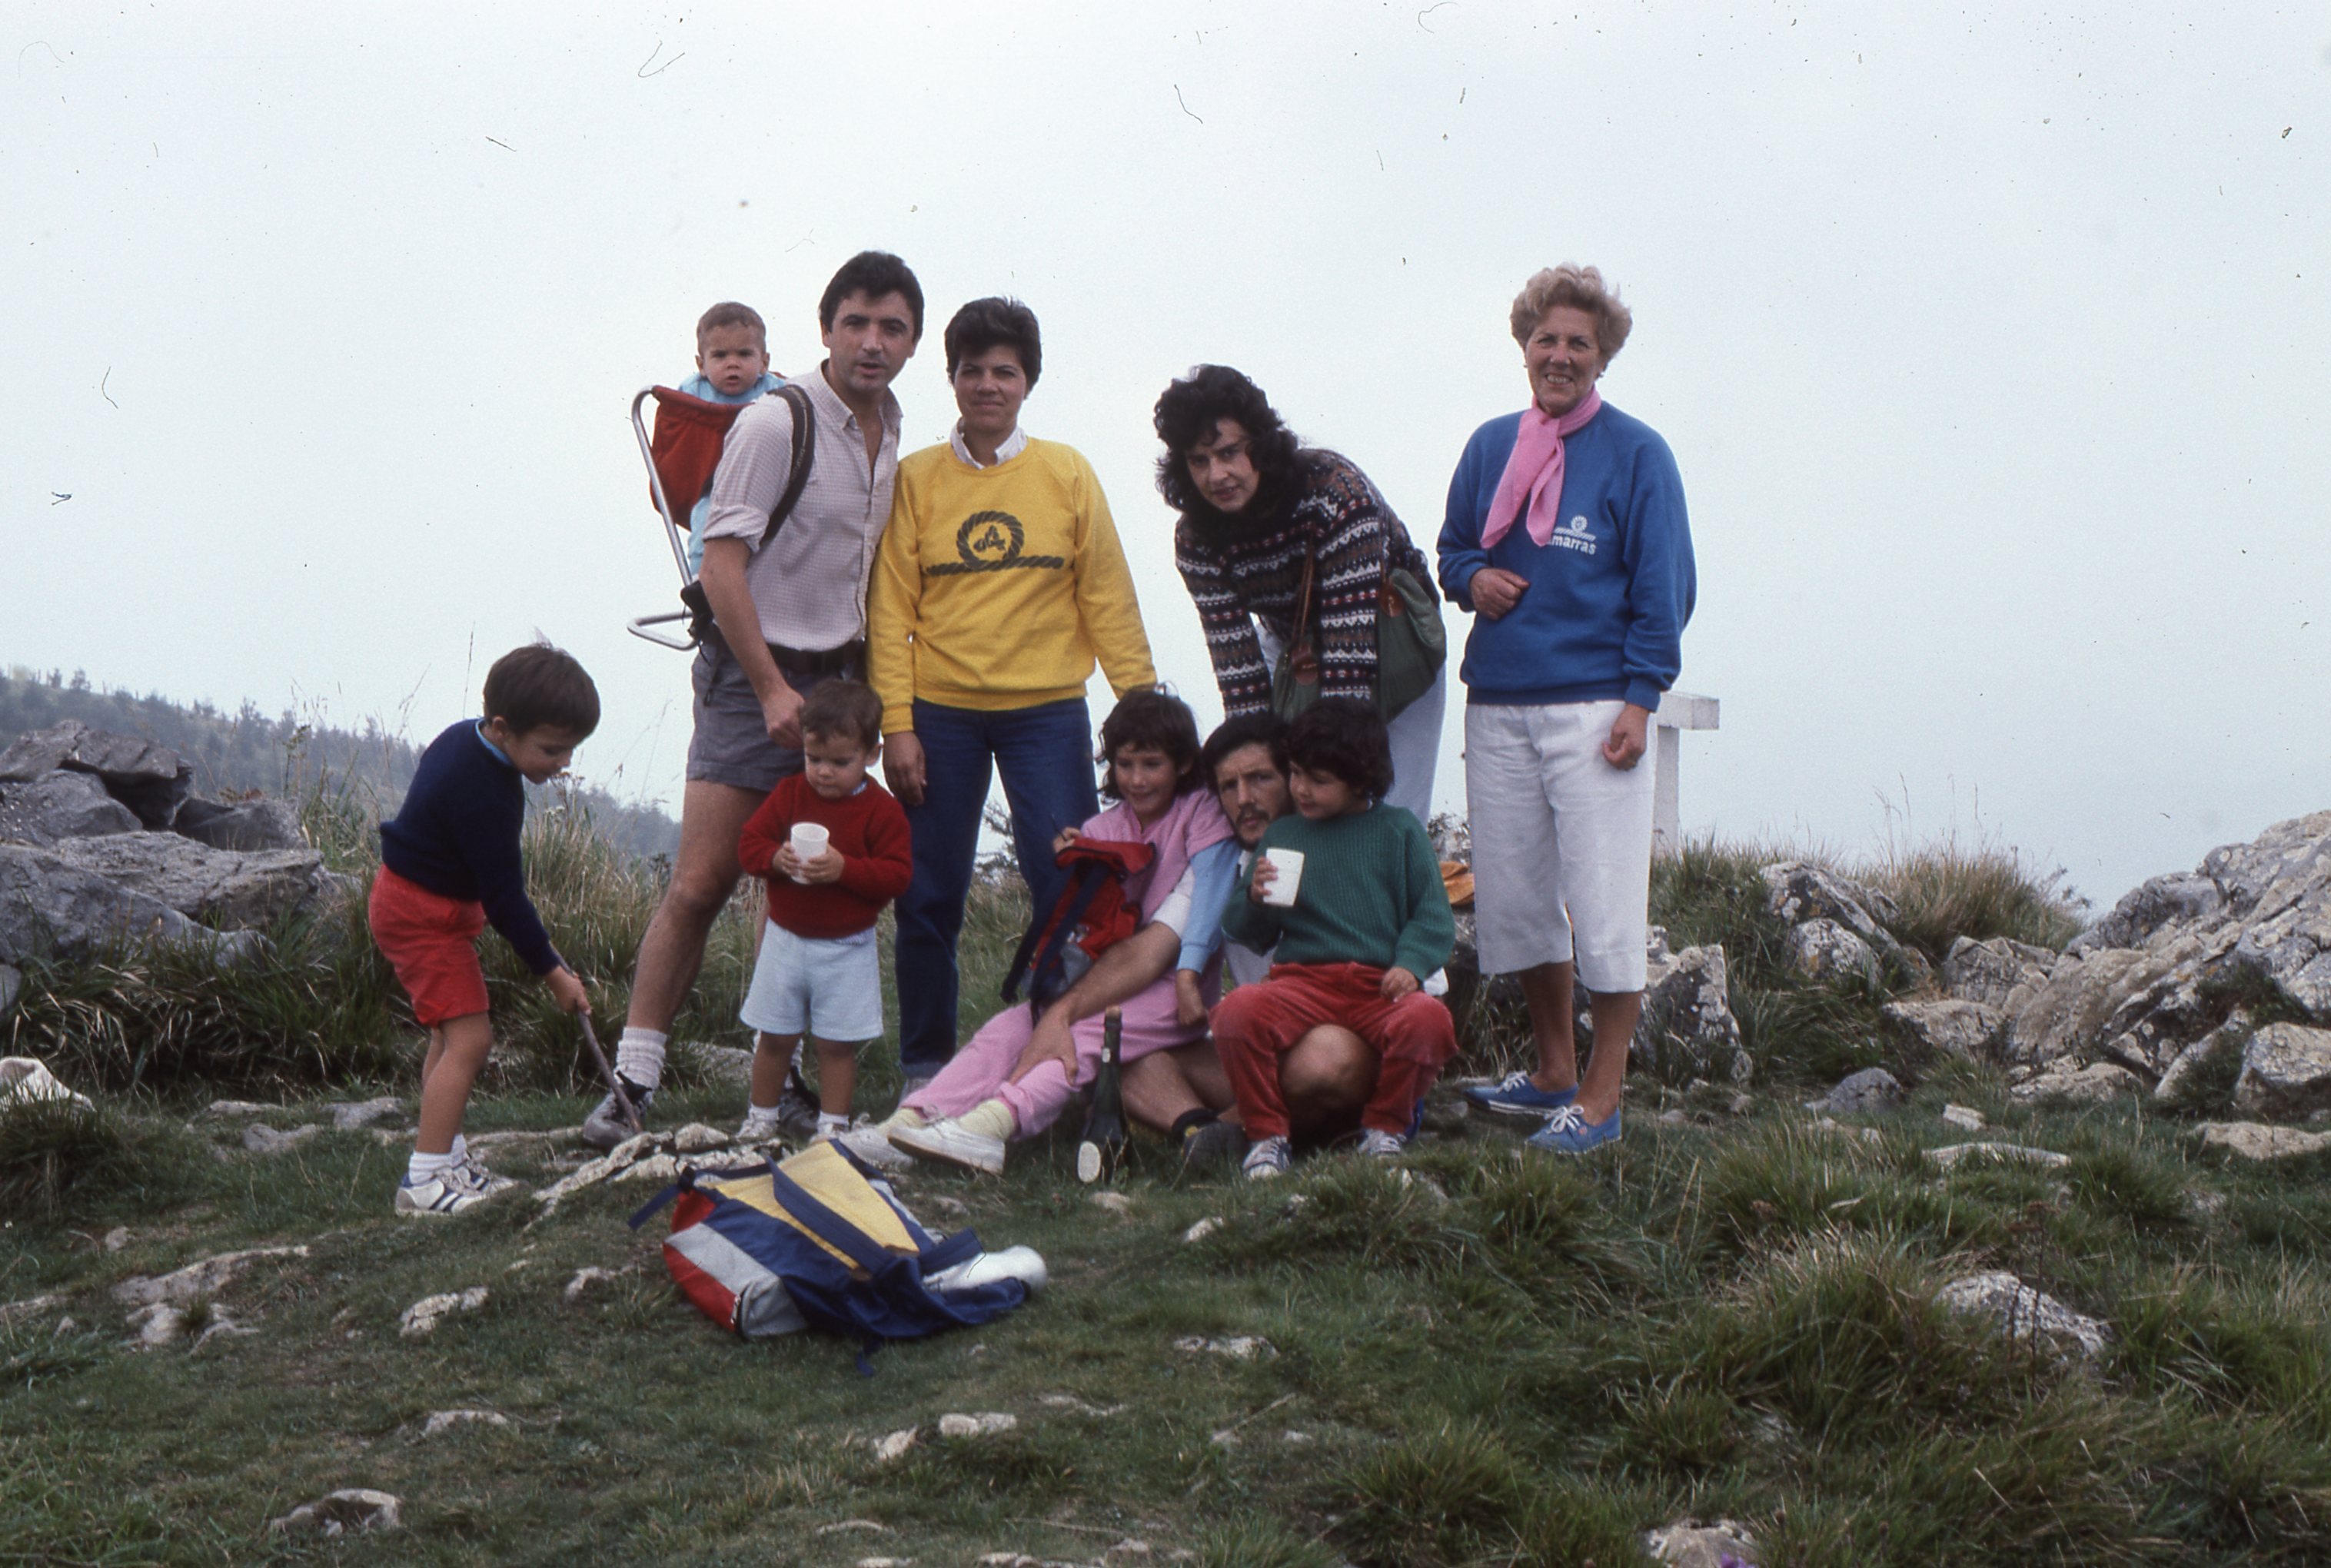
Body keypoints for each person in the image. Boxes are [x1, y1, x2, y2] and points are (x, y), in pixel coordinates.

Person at [584, 251, 924, 1149]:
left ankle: (788, 1086)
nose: (872, 342)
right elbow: (722, 567)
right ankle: (631, 1081)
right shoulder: (777, 422)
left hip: (842, 675)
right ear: (825, 330)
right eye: (856, 323)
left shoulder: (889, 429)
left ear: (912, 343)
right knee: (703, 880)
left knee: (808, 883)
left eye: (892, 328)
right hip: (753, 671)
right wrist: (771, 686)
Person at [1435, 264, 1696, 1155]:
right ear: (1523, 346)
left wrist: (1641, 698)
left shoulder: (1637, 454)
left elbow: (1664, 588)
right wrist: (1474, 579)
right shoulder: (1487, 447)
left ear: (1602, 355)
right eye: (1544, 338)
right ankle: (1550, 1070)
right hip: (1497, 702)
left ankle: (1599, 1097)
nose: (1558, 355)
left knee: (1604, 903)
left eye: (1577, 342)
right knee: (1514, 901)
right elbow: (1451, 551)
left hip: (1595, 709)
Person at [868, 297, 1156, 1091]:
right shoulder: (915, 480)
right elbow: (890, 611)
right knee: (928, 894)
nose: (988, 386)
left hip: (1047, 714)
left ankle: (1053, 1056)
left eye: (1005, 372)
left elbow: (1107, 598)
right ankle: (925, 1066)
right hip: (941, 716)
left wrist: (1143, 712)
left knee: (1066, 885)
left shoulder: (1067, 472)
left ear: (1028, 381)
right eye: (973, 372)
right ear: (952, 379)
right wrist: (897, 725)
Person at [873, 690, 1232, 1175]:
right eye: (1126, 765)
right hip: (1101, 973)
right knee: (1007, 1029)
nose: (1137, 779)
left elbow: (1208, 892)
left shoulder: (1200, 812)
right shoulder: (1104, 827)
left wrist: (1188, 973)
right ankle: (909, 1121)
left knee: (1084, 1033)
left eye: (1153, 765)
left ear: (1184, 763)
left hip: (1168, 989)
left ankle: (992, 1124)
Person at [1154, 364, 1446, 823]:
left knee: (1385, 809)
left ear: (1261, 444)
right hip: (1295, 646)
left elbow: (1350, 676)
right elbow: (1240, 679)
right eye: (1199, 461)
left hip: (1391, 641)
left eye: (1229, 453)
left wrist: (1332, 779)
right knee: (1282, 798)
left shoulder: (1335, 492)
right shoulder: (1195, 540)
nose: (1217, 475)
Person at [371, 643, 599, 1214]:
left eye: (570, 749)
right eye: (551, 749)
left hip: (415, 904)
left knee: (449, 1037)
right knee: (472, 1042)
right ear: (502, 727)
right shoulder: (487, 794)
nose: (562, 763)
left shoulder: (463, 740)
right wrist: (555, 974)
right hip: (423, 918)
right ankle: (425, 1182)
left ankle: (446, 1158)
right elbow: (505, 901)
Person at [1118, 711, 1378, 1169]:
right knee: (1126, 1050)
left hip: (1344, 1052)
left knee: (1326, 1058)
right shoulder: (1225, 866)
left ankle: (1239, 1125)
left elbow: (1428, 986)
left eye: (1260, 779)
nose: (1244, 800)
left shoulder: (1359, 844)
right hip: (1259, 1052)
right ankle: (1200, 1130)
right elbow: (1156, 941)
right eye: (1228, 786)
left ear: (1293, 779)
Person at [1212, 700, 1458, 1179]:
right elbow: (1249, 932)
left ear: (1361, 780)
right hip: (1301, 984)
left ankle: (1385, 1129)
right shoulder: (1285, 834)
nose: (1300, 789)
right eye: (1296, 773)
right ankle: (1267, 1137)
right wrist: (1255, 898)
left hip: (1378, 987)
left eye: (1318, 780)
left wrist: (1410, 965)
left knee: (1429, 1020)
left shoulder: (1398, 831)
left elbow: (1433, 916)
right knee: (1236, 1011)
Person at [731, 680, 912, 1148]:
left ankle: (833, 1127)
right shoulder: (790, 794)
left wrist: (844, 869)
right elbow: (749, 844)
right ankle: (760, 1118)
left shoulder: (883, 812)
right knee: (775, 1036)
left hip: (848, 946)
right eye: (814, 759)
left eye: (840, 762)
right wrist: (775, 859)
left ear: (871, 755)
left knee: (836, 1044)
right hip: (785, 939)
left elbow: (897, 876)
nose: (824, 773)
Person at [674, 301, 786, 576]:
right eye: (720, 356)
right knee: (705, 523)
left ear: (764, 362)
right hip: (713, 484)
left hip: (766, 483)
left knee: (781, 532)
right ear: (701, 365)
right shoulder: (692, 391)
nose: (732, 364)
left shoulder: (778, 390)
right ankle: (701, 578)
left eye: (744, 354)